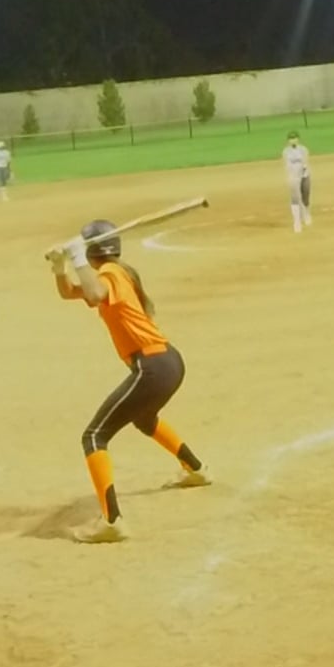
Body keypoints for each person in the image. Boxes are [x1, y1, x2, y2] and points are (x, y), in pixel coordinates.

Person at [50, 222, 209, 543]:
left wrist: (77, 257)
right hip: (167, 362)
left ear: (92, 251)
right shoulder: (116, 273)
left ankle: (111, 522)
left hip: (152, 367)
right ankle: (196, 470)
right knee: (144, 419)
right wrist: (59, 267)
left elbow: (95, 294)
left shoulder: (110, 273)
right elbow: (72, 292)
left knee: (94, 436)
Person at [283, 130, 313, 232]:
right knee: (295, 198)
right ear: (288, 140)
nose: (293, 140)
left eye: (294, 138)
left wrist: (302, 172)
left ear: (298, 139)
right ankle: (297, 221)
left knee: (305, 196)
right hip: (294, 177)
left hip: (304, 175)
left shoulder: (303, 149)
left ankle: (306, 213)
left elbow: (305, 163)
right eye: (291, 138)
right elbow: (288, 165)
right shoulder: (286, 152)